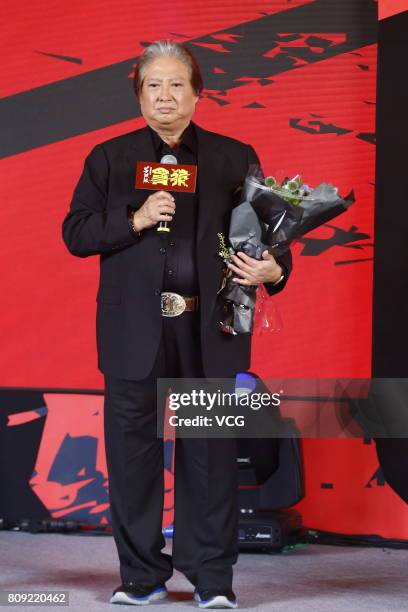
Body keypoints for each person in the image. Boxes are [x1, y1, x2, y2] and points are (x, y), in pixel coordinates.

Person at [62, 40, 292, 609]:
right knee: (133, 454)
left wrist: (273, 267)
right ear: (139, 94)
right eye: (153, 86)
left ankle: (212, 579)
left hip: (208, 330)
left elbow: (273, 235)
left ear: (197, 92)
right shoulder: (109, 158)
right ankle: (141, 577)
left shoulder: (234, 157)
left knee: (209, 456)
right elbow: (76, 233)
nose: (165, 96)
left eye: (176, 85)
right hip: (133, 332)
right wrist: (135, 217)